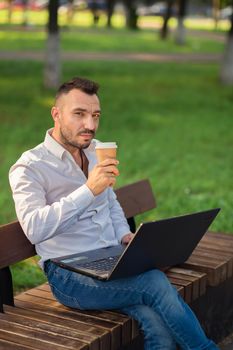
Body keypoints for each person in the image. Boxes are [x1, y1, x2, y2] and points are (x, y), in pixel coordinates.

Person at [9, 77, 219, 350]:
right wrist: (88, 190)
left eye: (95, 115)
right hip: (67, 276)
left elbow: (110, 203)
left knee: (156, 321)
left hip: (110, 258)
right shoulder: (29, 167)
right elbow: (35, 229)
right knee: (154, 283)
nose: (91, 126)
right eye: (79, 114)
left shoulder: (96, 151)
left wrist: (123, 234)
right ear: (56, 114)